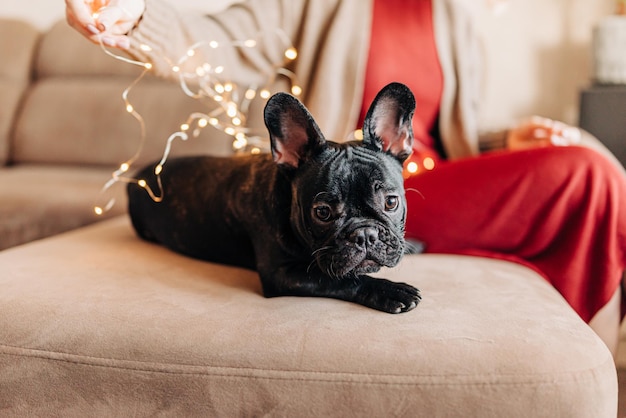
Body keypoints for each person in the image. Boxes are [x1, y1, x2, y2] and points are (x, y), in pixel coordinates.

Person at [66, 0, 626, 352]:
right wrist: (139, 17)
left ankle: (590, 369)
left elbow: (443, 131)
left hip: (414, 186)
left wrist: (506, 143)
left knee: (590, 161)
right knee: (592, 174)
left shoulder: (455, 13)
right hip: (345, 187)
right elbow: (221, 41)